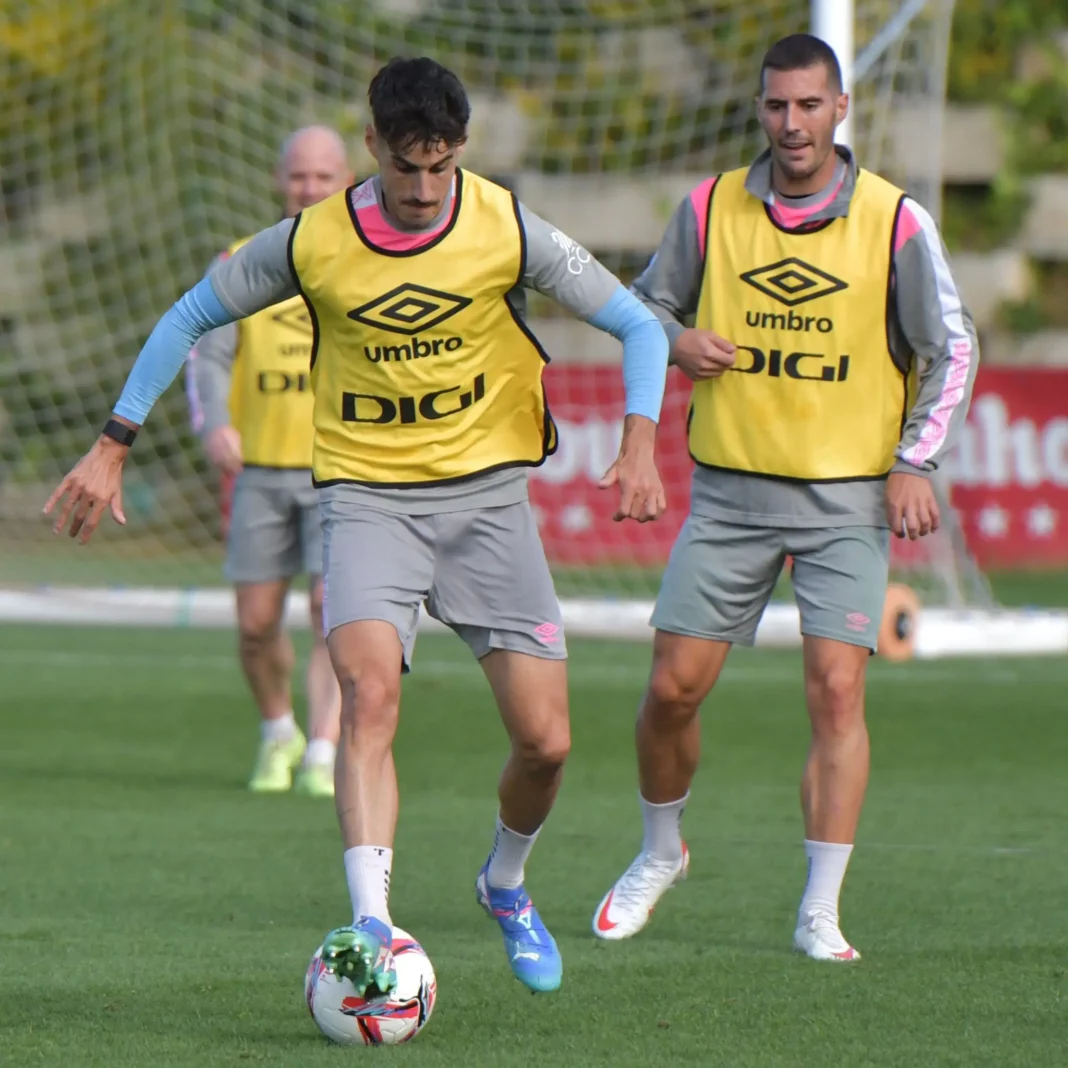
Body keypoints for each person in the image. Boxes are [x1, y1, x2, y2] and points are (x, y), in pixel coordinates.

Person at [44, 56, 669, 996]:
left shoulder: (505, 225)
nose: (423, 189)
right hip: (366, 499)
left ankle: (504, 884)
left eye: (441, 165)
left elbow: (641, 327)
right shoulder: (309, 243)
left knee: (547, 744)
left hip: (489, 503)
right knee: (368, 699)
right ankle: (373, 927)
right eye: (406, 165)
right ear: (369, 146)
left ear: (460, 150)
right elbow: (186, 317)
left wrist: (641, 441)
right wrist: (113, 439)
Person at [590, 33, 979, 962]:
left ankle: (819, 908)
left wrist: (915, 458)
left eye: (809, 105)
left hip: (848, 500)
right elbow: (643, 312)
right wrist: (675, 342)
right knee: (670, 693)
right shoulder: (710, 207)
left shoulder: (894, 220)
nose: (791, 123)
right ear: (759, 111)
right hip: (728, 494)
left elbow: (953, 347)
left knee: (837, 691)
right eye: (775, 106)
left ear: (840, 110)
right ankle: (658, 853)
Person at [186, 126, 352, 797]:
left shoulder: (365, 256)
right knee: (256, 623)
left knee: (328, 613)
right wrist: (216, 424)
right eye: (298, 176)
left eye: (323, 177)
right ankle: (278, 732)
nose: (308, 188)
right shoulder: (243, 259)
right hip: (259, 470)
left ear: (346, 179)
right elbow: (210, 351)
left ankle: (322, 750)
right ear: (280, 180)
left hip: (340, 472)